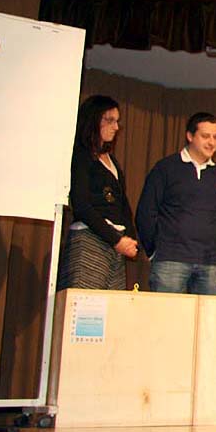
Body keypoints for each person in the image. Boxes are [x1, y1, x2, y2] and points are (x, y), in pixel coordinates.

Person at [136, 112, 216, 295]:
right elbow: (146, 212)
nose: (212, 142)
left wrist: (211, 245)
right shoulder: (166, 168)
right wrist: (153, 251)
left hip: (209, 263)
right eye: (205, 136)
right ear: (190, 136)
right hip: (170, 260)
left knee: (208, 314)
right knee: (168, 312)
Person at [58, 95, 138, 290]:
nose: (116, 127)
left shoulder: (112, 161)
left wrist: (129, 238)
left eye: (117, 121)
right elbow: (81, 206)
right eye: (109, 120)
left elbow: (122, 204)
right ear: (93, 120)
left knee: (110, 305)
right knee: (87, 304)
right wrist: (116, 239)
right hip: (90, 240)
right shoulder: (81, 156)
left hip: (115, 244)